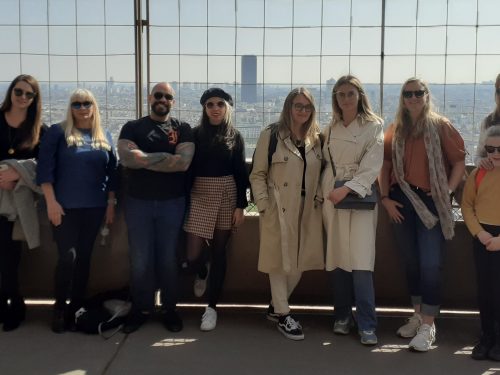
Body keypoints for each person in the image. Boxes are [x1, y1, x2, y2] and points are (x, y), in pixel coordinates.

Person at [378, 77, 465, 352]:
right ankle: (418, 315)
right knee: (411, 262)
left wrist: (446, 192)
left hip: (430, 200)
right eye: (408, 93)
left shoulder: (441, 126)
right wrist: (385, 199)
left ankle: (429, 325)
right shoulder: (396, 129)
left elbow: (459, 161)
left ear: (427, 96)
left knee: (430, 263)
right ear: (402, 98)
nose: (413, 98)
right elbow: (386, 164)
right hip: (401, 199)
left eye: (419, 93)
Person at [37, 88, 118, 333]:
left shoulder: (105, 135)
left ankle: (76, 307)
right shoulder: (57, 132)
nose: (82, 108)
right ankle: (60, 306)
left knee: (84, 258)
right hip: (64, 208)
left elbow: (112, 172)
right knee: (67, 258)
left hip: (94, 207)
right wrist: (51, 202)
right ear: (70, 108)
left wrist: (111, 203)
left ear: (94, 107)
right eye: (76, 104)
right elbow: (45, 170)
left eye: (86, 103)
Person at [118, 82, 194, 334]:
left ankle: (169, 309)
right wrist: (164, 158)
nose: (163, 99)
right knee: (140, 260)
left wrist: (144, 159)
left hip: (172, 203)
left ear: (173, 101)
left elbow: (183, 163)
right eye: (158, 95)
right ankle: (141, 309)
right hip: (137, 202)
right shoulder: (132, 126)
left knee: (168, 259)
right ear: (150, 97)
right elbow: (127, 158)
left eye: (168, 96)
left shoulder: (182, 129)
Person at [249, 87, 324, 341]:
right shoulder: (271, 135)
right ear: (288, 107)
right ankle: (283, 313)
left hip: (307, 208)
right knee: (278, 261)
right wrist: (263, 206)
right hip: (277, 207)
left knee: (300, 261)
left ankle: (275, 305)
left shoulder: (317, 138)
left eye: (307, 107)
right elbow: (258, 173)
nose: (302, 111)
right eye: (298, 105)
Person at [321, 75, 384, 346]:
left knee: (361, 260)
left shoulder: (374, 126)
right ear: (335, 99)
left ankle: (368, 323)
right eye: (340, 94)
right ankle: (342, 315)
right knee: (337, 257)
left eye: (350, 93)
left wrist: (346, 189)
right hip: (331, 196)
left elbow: (373, 166)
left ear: (360, 95)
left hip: (359, 195)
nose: (345, 99)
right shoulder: (329, 128)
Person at [183, 88, 248, 331]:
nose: (215, 108)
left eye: (220, 104)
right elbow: (187, 169)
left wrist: (241, 205)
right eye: (210, 104)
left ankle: (211, 308)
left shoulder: (235, 136)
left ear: (227, 108)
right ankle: (201, 269)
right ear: (204, 108)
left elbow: (241, 173)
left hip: (226, 193)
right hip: (199, 193)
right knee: (191, 256)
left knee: (220, 251)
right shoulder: (194, 134)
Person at [0, 74, 45, 331]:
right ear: (11, 92)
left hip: (17, 205)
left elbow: (43, 167)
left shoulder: (38, 129)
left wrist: (17, 174)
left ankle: (14, 306)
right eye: (19, 92)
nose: (23, 98)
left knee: (10, 259)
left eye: (30, 95)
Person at [461, 126, 500, 361]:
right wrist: (480, 233)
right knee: (485, 291)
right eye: (490, 148)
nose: (495, 153)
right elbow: (467, 205)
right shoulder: (479, 174)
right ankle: (487, 336)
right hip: (483, 237)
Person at [475, 73, 500, 169]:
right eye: (499, 91)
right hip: (491, 180)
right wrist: (481, 162)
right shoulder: (488, 122)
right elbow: (478, 156)